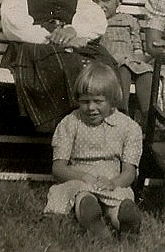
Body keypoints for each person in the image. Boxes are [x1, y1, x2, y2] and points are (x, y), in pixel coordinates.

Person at [0, 0, 116, 132]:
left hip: (72, 39)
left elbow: (92, 13)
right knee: (65, 65)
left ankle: (107, 135)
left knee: (104, 64)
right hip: (33, 43)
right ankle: (69, 132)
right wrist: (49, 36)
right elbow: (12, 21)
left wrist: (74, 30)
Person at [44, 62, 143, 237]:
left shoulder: (128, 127)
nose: (90, 108)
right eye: (84, 101)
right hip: (80, 179)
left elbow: (129, 172)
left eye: (98, 101)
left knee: (119, 201)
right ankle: (95, 224)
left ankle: (123, 221)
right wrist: (83, 177)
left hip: (112, 181)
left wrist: (114, 183)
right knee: (82, 196)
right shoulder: (70, 123)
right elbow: (58, 168)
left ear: (112, 100)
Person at [89, 0, 153, 121]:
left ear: (118, 2)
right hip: (108, 61)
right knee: (123, 70)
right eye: (95, 1)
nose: (100, 6)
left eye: (106, 1)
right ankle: (120, 113)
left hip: (130, 59)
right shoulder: (92, 22)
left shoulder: (129, 20)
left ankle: (150, 117)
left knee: (146, 73)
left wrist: (139, 56)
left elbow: (137, 43)